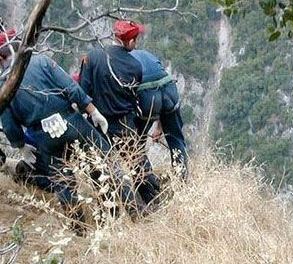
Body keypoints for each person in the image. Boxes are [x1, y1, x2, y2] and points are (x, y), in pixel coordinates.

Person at [0, 29, 137, 233]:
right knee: (106, 162)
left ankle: (79, 230)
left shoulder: (3, 84)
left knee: (63, 183)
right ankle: (131, 213)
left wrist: (21, 146)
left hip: (43, 136)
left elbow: (9, 123)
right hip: (70, 121)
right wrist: (93, 111)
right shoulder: (41, 61)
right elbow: (71, 88)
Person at [79, 20, 160, 205]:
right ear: (128, 41)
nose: (136, 43)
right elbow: (133, 97)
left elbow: (83, 93)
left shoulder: (92, 57)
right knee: (137, 163)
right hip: (125, 124)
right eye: (135, 39)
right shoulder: (135, 66)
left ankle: (111, 208)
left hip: (98, 124)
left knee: (99, 169)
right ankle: (153, 202)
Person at [129, 48, 188, 181]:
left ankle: (150, 185)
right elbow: (161, 89)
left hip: (147, 97)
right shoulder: (148, 55)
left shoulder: (124, 61)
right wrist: (160, 127)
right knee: (176, 140)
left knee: (136, 145)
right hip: (169, 90)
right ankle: (181, 182)